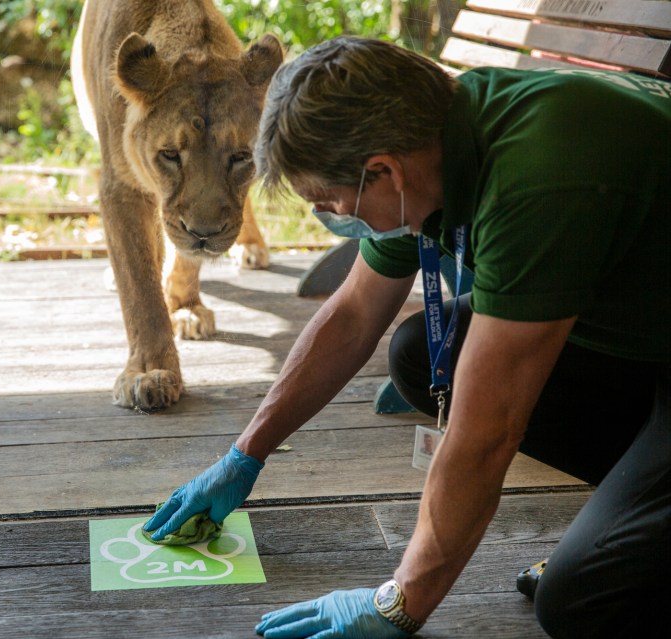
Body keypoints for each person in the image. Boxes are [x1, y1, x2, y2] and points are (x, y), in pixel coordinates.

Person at [142, 36, 670, 638]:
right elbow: (353, 314)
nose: (332, 215)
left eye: (327, 201)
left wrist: (401, 602)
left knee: (583, 601)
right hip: (647, 327)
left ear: (382, 172)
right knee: (418, 355)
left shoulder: (542, 176)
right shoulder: (427, 138)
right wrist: (246, 453)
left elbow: (487, 430)